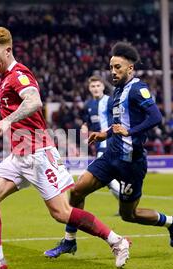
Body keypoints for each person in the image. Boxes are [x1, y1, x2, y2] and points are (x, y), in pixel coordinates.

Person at [0, 27, 131, 269]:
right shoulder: (6, 77)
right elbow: (3, 94)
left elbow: (34, 101)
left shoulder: (20, 74)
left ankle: (117, 241)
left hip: (39, 153)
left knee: (61, 213)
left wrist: (6, 122)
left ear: (8, 50)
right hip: (19, 154)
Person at [43, 42, 173, 259]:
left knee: (129, 215)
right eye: (111, 67)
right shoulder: (118, 92)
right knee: (78, 190)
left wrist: (130, 131)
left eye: (117, 67)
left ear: (130, 68)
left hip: (131, 163)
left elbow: (156, 117)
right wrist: (105, 134)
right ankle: (69, 241)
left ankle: (172, 222)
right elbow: (119, 124)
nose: (113, 72)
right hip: (110, 156)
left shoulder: (138, 89)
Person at [44, 75, 121, 258]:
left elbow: (119, 121)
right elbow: (87, 120)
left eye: (97, 85)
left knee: (85, 187)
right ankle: (70, 240)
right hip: (100, 147)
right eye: (92, 86)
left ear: (103, 86)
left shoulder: (110, 102)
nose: (95, 88)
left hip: (110, 145)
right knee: (85, 189)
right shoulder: (88, 105)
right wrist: (85, 126)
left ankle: (125, 201)